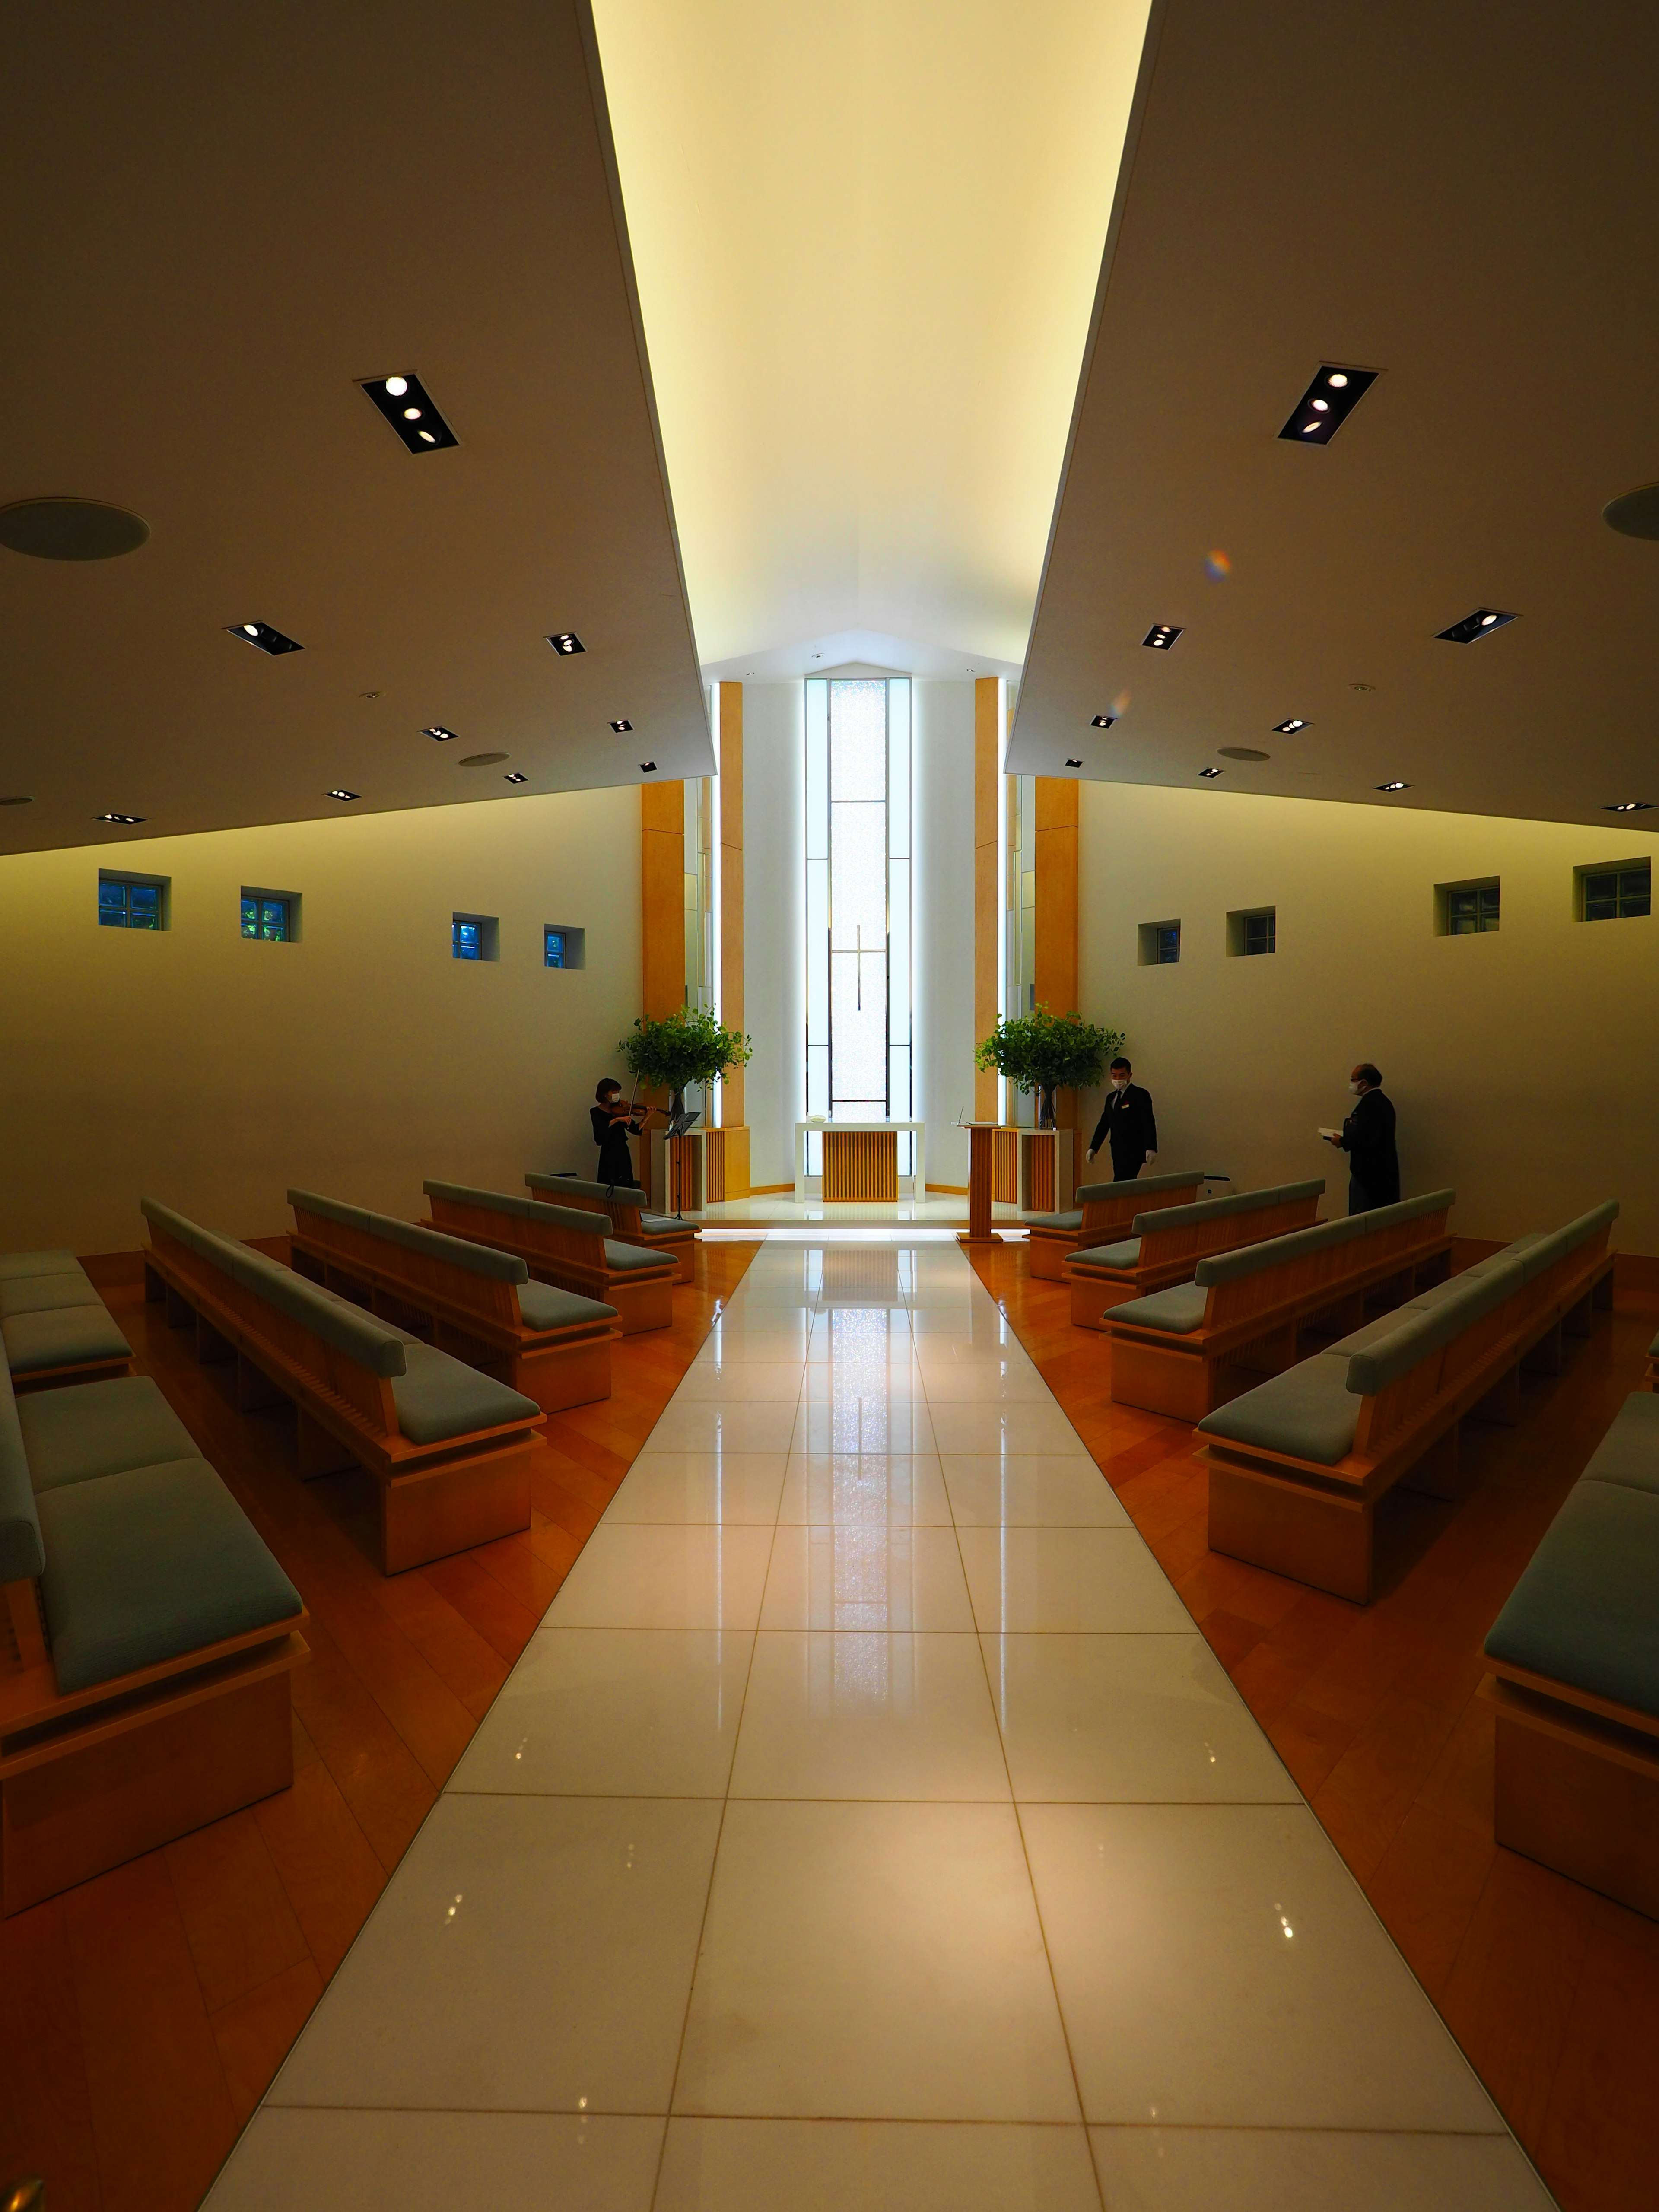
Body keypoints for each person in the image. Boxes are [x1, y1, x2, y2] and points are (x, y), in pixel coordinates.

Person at [1325, 1062, 1399, 1214]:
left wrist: (1343, 1141)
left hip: (1368, 1172)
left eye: (1353, 1079)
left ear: (1364, 1082)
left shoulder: (1370, 1104)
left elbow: (1364, 1136)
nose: (1351, 1084)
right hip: (1383, 1169)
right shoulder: (1383, 1101)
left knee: (1361, 1215)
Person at [1087, 1056, 1158, 1181]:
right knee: (1123, 1184)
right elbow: (1104, 1124)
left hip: (1134, 1149)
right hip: (1117, 1149)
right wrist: (1094, 1148)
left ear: (1130, 1075)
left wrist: (1151, 1147)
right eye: (1114, 1076)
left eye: (1121, 1075)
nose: (1118, 1079)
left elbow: (1148, 1122)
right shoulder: (1111, 1098)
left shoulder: (1140, 1095)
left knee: (1121, 1182)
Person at [591, 1077, 647, 1189]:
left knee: (625, 1185)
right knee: (609, 1185)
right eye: (614, 1092)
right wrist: (617, 1120)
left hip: (622, 1151)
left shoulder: (621, 1111)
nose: (617, 1095)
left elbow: (635, 1130)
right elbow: (600, 1131)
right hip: (608, 1153)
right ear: (605, 1094)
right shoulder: (595, 1112)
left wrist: (646, 1117)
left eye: (618, 1092)